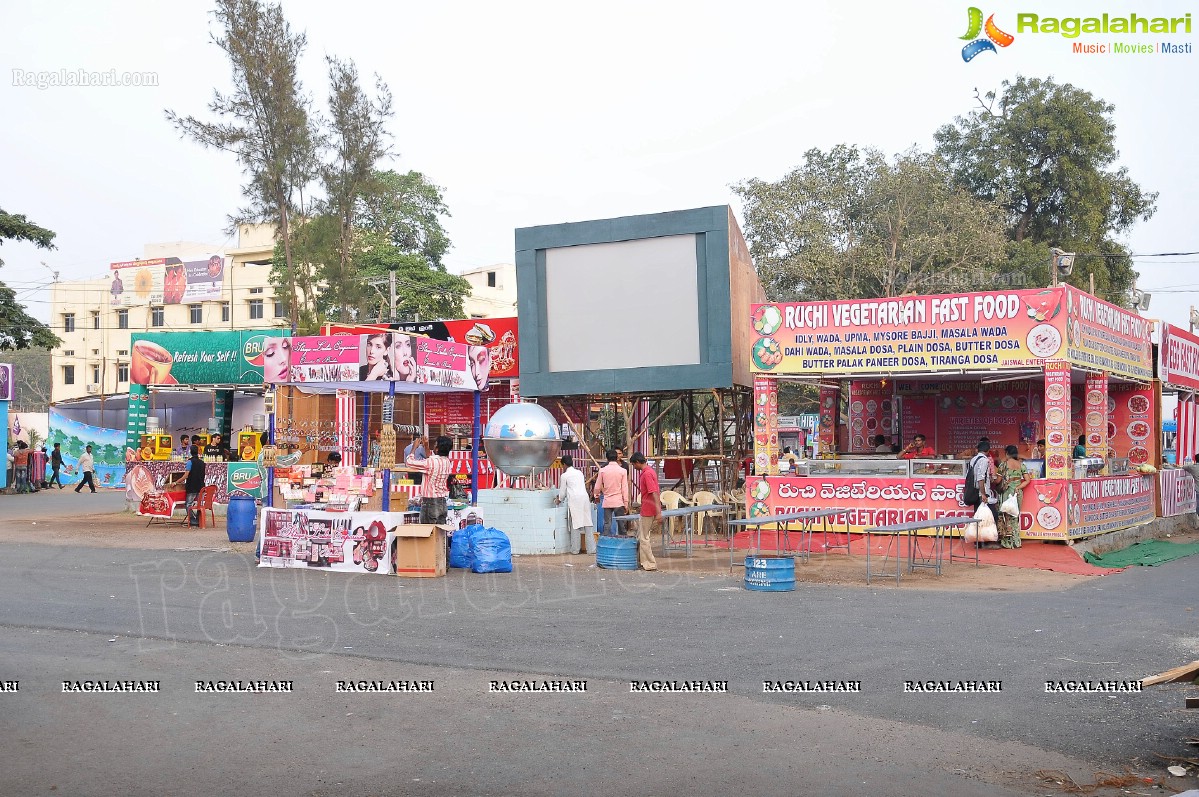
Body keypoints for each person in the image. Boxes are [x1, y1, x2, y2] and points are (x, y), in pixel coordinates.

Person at [407, 435, 453, 524]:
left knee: (428, 534)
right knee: (439, 534)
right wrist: (426, 446)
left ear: (437, 449)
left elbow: (410, 463)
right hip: (442, 502)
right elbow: (430, 458)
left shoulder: (431, 462)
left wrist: (414, 448)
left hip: (430, 503)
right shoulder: (447, 462)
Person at [555, 454, 595, 555]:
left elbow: (562, 491)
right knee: (587, 523)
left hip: (575, 500)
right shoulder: (579, 473)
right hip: (584, 498)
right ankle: (591, 549)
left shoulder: (564, 476)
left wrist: (559, 499)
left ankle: (575, 549)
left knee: (575, 524)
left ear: (564, 464)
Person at [996, 445, 1032, 549]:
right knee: (1015, 516)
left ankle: (1007, 542)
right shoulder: (1021, 465)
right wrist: (1018, 487)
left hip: (1007, 493)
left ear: (1007, 453)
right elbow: (1027, 480)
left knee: (1005, 516)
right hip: (1017, 493)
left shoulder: (1003, 465)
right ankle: (1017, 541)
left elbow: (998, 480)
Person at [629, 452, 660, 572]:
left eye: (633, 464)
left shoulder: (647, 474)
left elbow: (654, 493)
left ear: (637, 462)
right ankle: (643, 561)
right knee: (642, 536)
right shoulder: (650, 472)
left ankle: (650, 563)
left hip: (648, 509)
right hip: (648, 508)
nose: (634, 467)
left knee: (644, 538)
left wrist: (658, 512)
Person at [968, 439, 999, 548]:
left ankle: (978, 542)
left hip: (975, 491)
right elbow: (981, 478)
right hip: (982, 492)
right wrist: (984, 494)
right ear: (988, 450)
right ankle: (988, 541)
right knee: (992, 516)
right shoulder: (985, 460)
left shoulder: (973, 459)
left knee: (978, 516)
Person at [592, 449, 629, 536]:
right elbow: (624, 488)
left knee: (607, 524)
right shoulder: (623, 471)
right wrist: (626, 503)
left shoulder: (602, 470)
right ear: (617, 458)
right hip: (619, 501)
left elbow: (597, 486)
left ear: (607, 458)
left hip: (607, 501)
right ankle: (623, 544)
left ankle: (606, 544)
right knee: (621, 525)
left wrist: (596, 496)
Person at [184, 445, 207, 527]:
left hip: (192, 487)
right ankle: (198, 519)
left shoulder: (190, 462)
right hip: (201, 487)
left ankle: (193, 520)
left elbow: (186, 475)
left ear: (190, 452)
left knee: (188, 504)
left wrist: (176, 482)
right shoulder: (202, 462)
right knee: (199, 504)